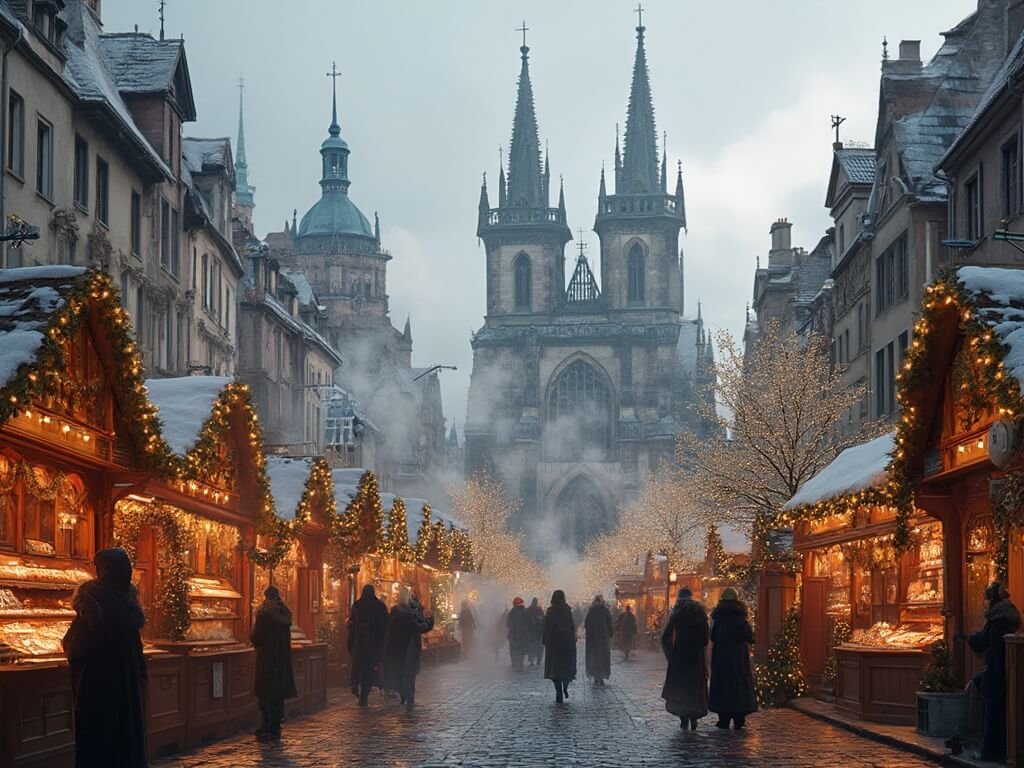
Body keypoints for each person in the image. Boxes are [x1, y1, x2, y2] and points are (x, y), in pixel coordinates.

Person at [62, 547, 147, 768]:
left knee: (97, 744)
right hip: (126, 687)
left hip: (97, 687)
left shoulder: (92, 602)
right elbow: (137, 653)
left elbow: (76, 648)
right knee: (125, 740)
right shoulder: (129, 605)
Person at [967, 581, 1021, 762]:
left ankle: (990, 752)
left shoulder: (997, 620)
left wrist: (971, 638)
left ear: (993, 600)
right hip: (1005, 670)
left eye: (987, 599)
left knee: (993, 711)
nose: (985, 602)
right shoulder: (1009, 615)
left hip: (998, 670)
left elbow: (986, 641)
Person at [250, 585, 298, 741]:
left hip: (267, 659)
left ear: (266, 597)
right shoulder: (285, 612)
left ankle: (267, 724)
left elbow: (256, 637)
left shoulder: (264, 613)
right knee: (278, 694)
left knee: (266, 691)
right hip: (282, 659)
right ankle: (276, 724)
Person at [707, 588, 757, 730]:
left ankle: (723, 719)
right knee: (738, 686)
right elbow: (749, 636)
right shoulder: (741, 618)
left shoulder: (717, 617)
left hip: (722, 657)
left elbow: (713, 636)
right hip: (738, 658)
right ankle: (738, 718)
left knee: (723, 686)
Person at [660, 587, 709, 730]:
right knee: (694, 688)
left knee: (681, 688)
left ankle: (683, 718)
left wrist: (671, 655)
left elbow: (665, 637)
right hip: (696, 658)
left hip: (680, 657)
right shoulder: (700, 614)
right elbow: (706, 638)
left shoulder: (677, 613)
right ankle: (694, 717)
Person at [383, 587, 434, 711]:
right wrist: (430, 620)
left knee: (401, 672)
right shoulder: (410, 613)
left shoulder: (395, 612)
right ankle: (409, 697)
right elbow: (420, 627)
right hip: (409, 648)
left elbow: (388, 631)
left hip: (397, 648)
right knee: (410, 674)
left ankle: (405, 695)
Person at [347, 584, 388, 707]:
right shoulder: (380, 606)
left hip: (360, 644)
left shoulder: (357, 606)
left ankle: (357, 689)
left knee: (359, 668)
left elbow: (352, 625)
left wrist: (351, 642)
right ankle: (364, 695)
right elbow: (385, 626)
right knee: (370, 670)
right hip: (374, 645)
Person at [543, 589, 577, 703]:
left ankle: (559, 692)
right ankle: (565, 688)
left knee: (556, 670)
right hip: (567, 643)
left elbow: (547, 627)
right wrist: (573, 638)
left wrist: (545, 640)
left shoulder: (551, 611)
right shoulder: (567, 611)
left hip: (554, 644)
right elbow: (572, 626)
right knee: (566, 668)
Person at [584, 594, 614, 685]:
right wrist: (610, 633)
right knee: (602, 658)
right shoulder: (605, 611)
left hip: (592, 640)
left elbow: (587, 625)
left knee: (594, 658)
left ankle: (596, 676)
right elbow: (610, 624)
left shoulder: (591, 611)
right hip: (603, 639)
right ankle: (601, 677)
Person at [507, 596, 531, 671]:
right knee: (522, 649)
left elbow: (508, 623)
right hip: (523, 634)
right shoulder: (525, 611)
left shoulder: (512, 612)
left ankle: (515, 663)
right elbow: (529, 623)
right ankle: (520, 664)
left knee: (514, 649)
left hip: (514, 634)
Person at [526, 597, 545, 666]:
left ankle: (532, 661)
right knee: (538, 647)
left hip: (532, 632)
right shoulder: (539, 610)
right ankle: (537, 660)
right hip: (537, 632)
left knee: (532, 647)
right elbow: (544, 620)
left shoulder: (528, 610)